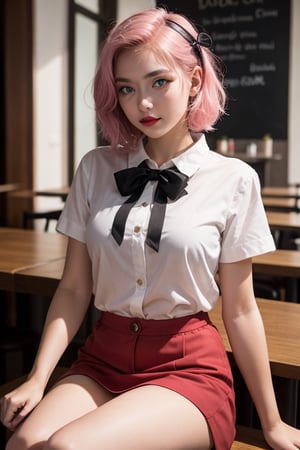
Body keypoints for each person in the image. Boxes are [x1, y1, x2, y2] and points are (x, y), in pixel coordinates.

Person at [1, 7, 300, 450]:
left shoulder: (234, 179)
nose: (143, 103)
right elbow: (73, 288)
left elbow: (240, 309)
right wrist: (37, 377)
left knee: (66, 447)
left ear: (194, 82)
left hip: (187, 369)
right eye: (127, 88)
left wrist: (272, 422)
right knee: (22, 442)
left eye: (159, 82)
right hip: (102, 358)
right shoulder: (96, 167)